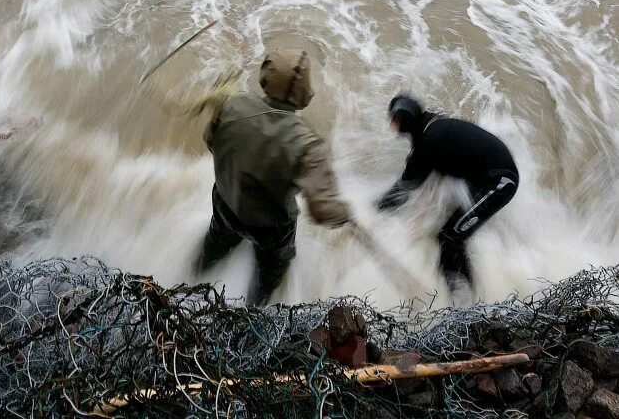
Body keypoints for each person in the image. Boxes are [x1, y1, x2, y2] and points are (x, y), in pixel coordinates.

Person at [195, 48, 352, 305]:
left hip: (224, 202)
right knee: (269, 272)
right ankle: (253, 313)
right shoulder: (307, 144)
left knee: (215, 244)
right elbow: (323, 210)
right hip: (270, 227)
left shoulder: (232, 103)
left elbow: (212, 142)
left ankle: (191, 284)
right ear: (303, 91)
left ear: (266, 76)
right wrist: (344, 212)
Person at [376, 94, 519, 296]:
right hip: (489, 179)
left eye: (396, 120)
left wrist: (371, 212)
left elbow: (404, 189)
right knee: (449, 235)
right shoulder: (431, 128)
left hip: (499, 182)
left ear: (407, 119)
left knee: (449, 240)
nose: (392, 125)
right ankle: (464, 303)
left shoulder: (428, 140)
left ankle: (467, 307)